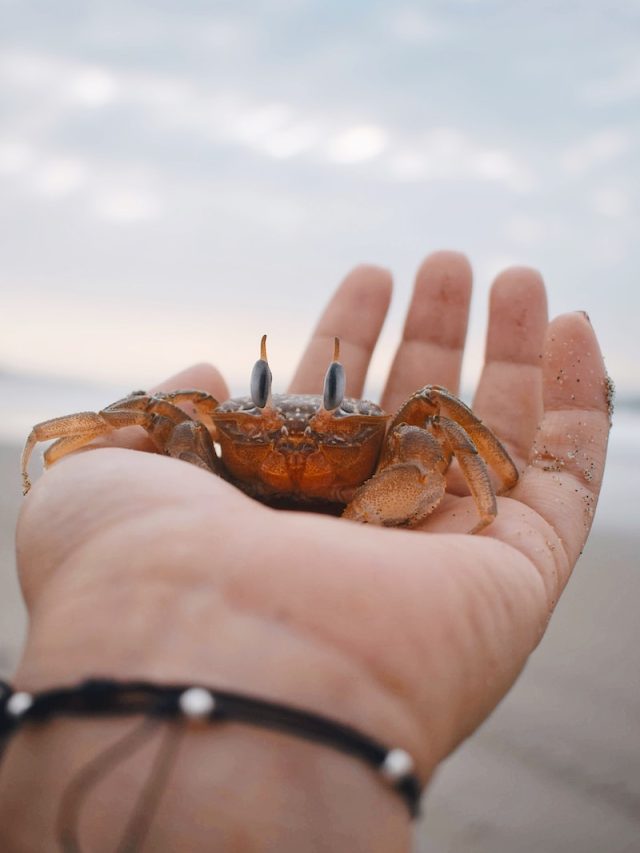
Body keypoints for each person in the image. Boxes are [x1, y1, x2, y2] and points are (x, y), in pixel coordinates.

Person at [0, 252, 611, 852]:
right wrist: (59, 451)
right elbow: (150, 413)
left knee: (431, 409)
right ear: (227, 421)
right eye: (265, 428)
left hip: (367, 492)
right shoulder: (199, 427)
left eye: (327, 428)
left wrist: (479, 498)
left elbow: (440, 434)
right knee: (165, 411)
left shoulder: (401, 438)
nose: (295, 445)